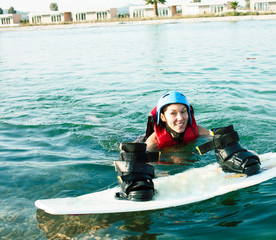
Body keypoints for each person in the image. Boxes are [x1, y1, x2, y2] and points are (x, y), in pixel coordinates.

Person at [143, 91, 210, 151]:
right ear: (163, 117)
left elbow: (213, 137)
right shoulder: (152, 143)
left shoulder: (198, 131)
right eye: (173, 113)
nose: (180, 118)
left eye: (183, 111)